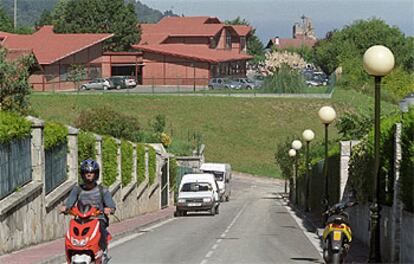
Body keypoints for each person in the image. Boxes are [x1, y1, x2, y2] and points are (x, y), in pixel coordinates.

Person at [60, 159, 116, 254]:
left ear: (96, 174)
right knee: (71, 231)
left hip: (98, 218)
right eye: (86, 172)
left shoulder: (103, 190)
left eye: (91, 172)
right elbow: (69, 204)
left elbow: (112, 206)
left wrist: (109, 209)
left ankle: (102, 251)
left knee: (101, 228)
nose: (89, 175)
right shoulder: (77, 189)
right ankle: (70, 251)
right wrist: (65, 208)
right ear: (83, 174)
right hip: (81, 219)